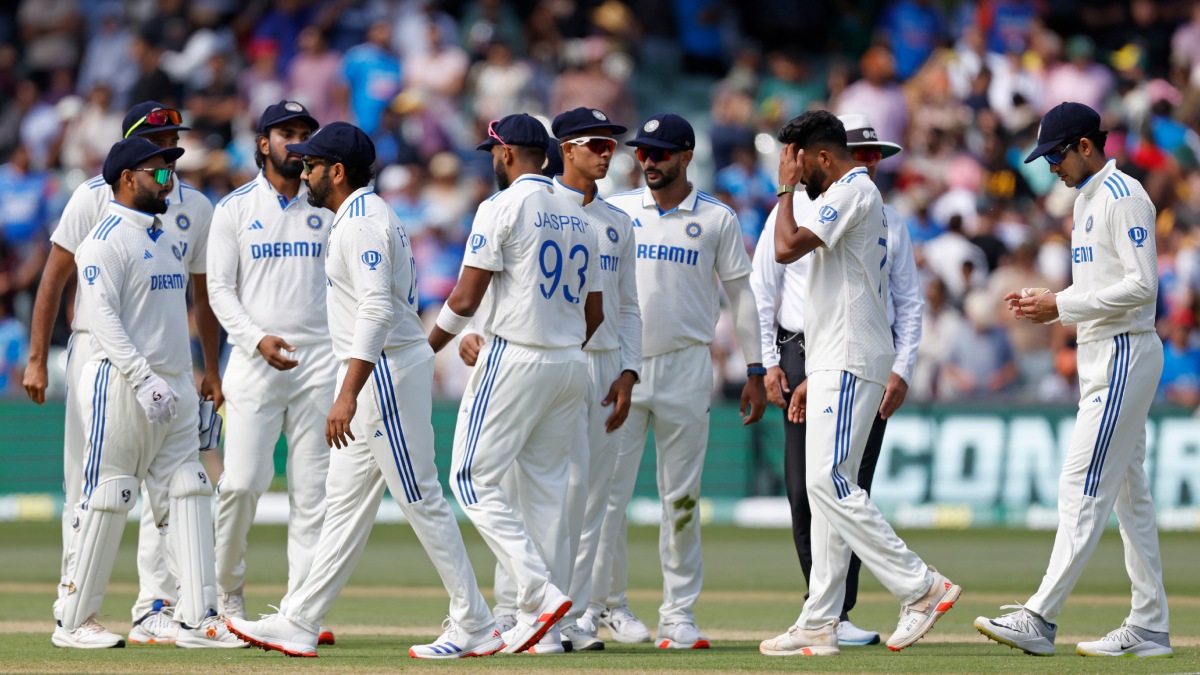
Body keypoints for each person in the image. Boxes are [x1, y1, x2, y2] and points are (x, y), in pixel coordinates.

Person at [226, 122, 502, 659]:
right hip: (380, 370)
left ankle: (475, 621)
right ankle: (300, 620)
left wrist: (348, 392)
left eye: (311, 165)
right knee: (343, 505)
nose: (303, 172)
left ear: (337, 171)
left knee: (420, 498)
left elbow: (376, 310)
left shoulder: (361, 223)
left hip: (385, 374)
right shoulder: (360, 217)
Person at [976, 102, 1171, 658]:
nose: (1051, 168)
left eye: (1056, 156)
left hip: (1123, 352)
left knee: (1080, 484)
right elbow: (1101, 285)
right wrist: (1054, 303)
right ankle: (1150, 624)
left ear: (1086, 146)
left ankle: (1040, 617)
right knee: (1130, 497)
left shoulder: (1124, 196)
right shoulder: (1086, 200)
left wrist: (1061, 306)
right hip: (1101, 354)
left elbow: (1143, 286)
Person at [760, 110, 959, 656]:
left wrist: (784, 189)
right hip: (835, 355)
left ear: (823, 157)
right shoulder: (846, 194)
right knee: (829, 488)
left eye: (801, 164)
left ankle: (921, 586)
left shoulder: (852, 189)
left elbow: (785, 247)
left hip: (849, 356)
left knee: (827, 482)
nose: (798, 175)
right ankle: (820, 619)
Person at [23, 101, 219, 645]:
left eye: (173, 143)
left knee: (177, 486)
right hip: (99, 350)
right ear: (129, 158)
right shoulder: (95, 198)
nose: (167, 155)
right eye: (156, 146)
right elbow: (56, 279)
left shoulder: (189, 208)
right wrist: (38, 356)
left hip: (167, 357)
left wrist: (207, 369)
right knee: (94, 485)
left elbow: (199, 296)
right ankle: (73, 603)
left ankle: (160, 606)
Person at [465, 107, 643, 653]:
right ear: (563, 149)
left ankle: (565, 617)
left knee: (579, 497)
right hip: (553, 355)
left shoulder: (615, 222)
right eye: (597, 143)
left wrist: (628, 370)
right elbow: (503, 287)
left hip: (590, 361)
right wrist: (474, 330)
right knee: (525, 490)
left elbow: (626, 306)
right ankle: (515, 610)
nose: (608, 152)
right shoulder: (535, 206)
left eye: (612, 144)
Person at [55, 137, 243, 649]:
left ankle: (198, 618)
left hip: (173, 384)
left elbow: (175, 315)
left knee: (188, 488)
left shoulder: (166, 237)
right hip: (121, 383)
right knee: (109, 494)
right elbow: (102, 319)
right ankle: (74, 620)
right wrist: (142, 378)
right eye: (159, 172)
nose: (169, 181)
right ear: (127, 178)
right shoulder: (102, 240)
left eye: (170, 172)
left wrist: (186, 378)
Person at [427, 113, 603, 654]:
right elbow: (595, 313)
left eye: (493, 153)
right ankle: (540, 629)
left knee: (469, 478)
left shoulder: (500, 206)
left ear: (506, 154)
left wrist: (422, 350)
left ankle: (537, 592)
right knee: (545, 493)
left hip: (516, 356)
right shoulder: (580, 216)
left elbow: (465, 298)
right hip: (569, 361)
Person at [595, 113, 767, 649]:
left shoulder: (717, 218)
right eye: (643, 153)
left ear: (687, 156)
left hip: (687, 367)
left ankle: (678, 615)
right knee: (608, 496)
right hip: (622, 367)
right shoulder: (617, 210)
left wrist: (755, 369)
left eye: (660, 153)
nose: (648, 161)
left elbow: (741, 297)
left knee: (683, 500)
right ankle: (608, 606)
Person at [205, 101, 336, 645]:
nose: (297, 142)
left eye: (306, 133)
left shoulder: (329, 207)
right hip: (253, 361)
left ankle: (300, 611)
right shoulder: (234, 209)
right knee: (241, 483)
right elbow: (218, 290)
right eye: (287, 133)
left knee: (313, 494)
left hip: (320, 362)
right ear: (263, 143)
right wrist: (256, 338)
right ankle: (226, 595)